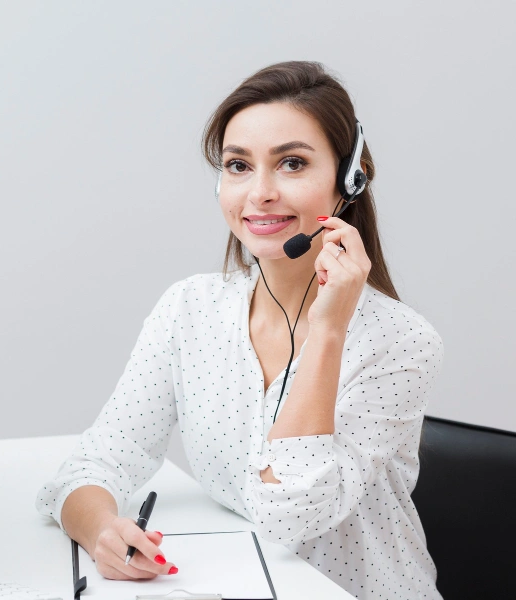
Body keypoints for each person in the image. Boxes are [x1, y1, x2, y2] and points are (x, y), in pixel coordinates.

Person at [36, 61, 444, 600]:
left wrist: (327, 333)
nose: (260, 193)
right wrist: (101, 532)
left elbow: (293, 514)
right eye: (238, 166)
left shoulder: (399, 341)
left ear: (350, 179)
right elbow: (97, 460)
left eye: (292, 163)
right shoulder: (191, 309)